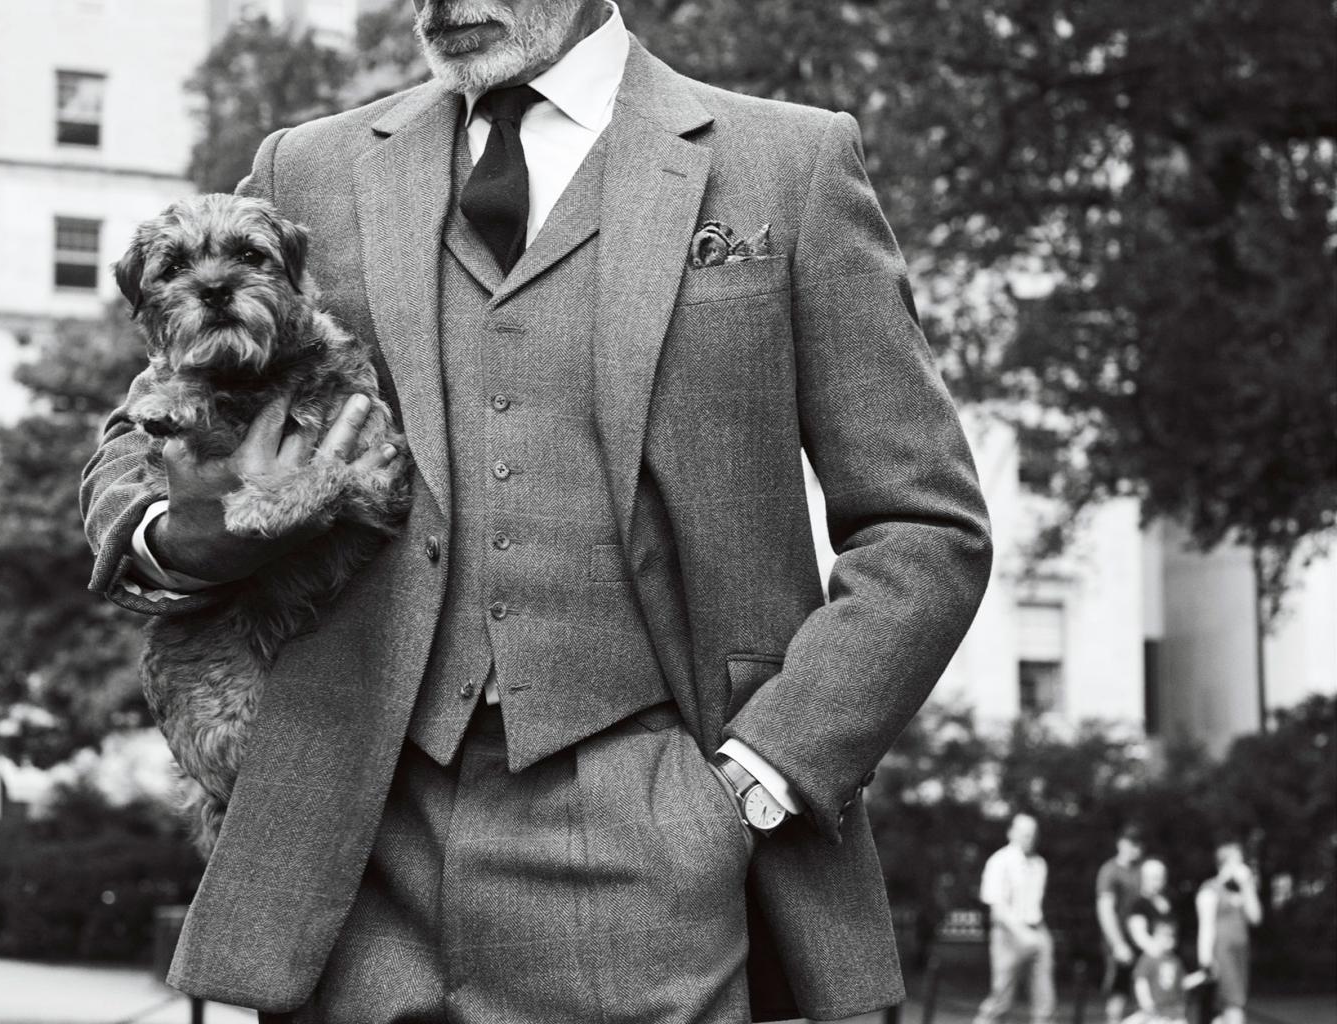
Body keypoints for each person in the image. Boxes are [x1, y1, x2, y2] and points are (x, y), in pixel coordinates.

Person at [79, 0, 993, 1020]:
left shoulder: (788, 162)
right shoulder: (306, 171)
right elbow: (137, 435)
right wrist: (203, 531)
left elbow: (924, 526)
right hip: (348, 855)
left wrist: (756, 774)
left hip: (653, 842)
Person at [973, 814, 1056, 1024]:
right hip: (1008, 933)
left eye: (1032, 833)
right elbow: (998, 907)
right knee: (1001, 999)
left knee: (1045, 1002)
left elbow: (1034, 904)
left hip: (1037, 929)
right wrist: (1022, 934)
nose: (1029, 837)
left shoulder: (1039, 864)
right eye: (1024, 832)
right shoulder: (999, 861)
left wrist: (1040, 937)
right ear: (1011, 832)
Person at [1197, 840, 1262, 1024]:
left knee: (1226, 1008)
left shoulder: (1241, 891)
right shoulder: (1210, 889)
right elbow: (1206, 926)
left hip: (1240, 955)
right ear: (1225, 863)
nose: (1243, 866)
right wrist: (1205, 960)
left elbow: (1255, 917)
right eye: (1238, 861)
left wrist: (1247, 886)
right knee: (1234, 1005)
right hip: (1222, 954)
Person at [1097, 824, 1146, 1023]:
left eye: (1138, 844)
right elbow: (1105, 910)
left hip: (1141, 940)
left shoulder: (1142, 870)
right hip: (1120, 941)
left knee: (1143, 991)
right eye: (1131, 843)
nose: (1135, 848)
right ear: (1121, 844)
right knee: (1119, 993)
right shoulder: (1110, 871)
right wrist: (1117, 944)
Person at [1128, 920, 1206, 1024]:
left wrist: (1201, 977)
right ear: (1155, 936)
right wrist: (1146, 1002)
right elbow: (1141, 982)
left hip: (1174, 1012)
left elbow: (1182, 983)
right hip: (1154, 1011)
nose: (1170, 939)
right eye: (1165, 936)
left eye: (1172, 936)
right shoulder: (1148, 958)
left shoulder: (1175, 961)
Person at [1126, 858, 1175, 959]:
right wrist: (1156, 950)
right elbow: (1139, 936)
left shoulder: (1168, 902)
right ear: (1144, 878)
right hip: (1148, 960)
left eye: (1162, 878)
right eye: (1155, 878)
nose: (1159, 882)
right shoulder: (1138, 905)